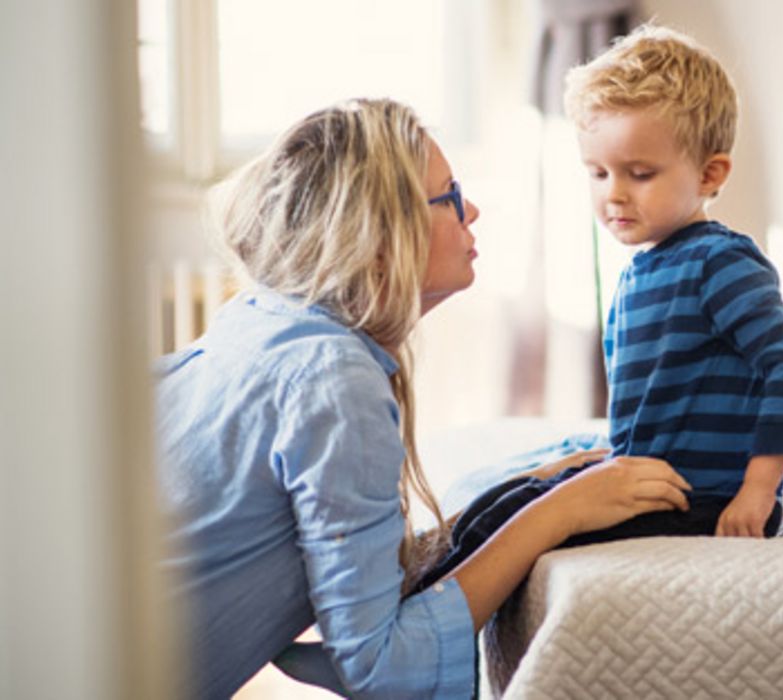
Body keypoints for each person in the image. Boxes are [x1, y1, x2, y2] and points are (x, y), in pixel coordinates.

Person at [154, 98, 692, 699]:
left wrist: (533, 488)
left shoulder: (260, 322)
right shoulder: (332, 378)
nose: (474, 210)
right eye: (450, 196)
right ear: (380, 239)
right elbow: (381, 667)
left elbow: (363, 567)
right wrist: (559, 512)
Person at [397, 24, 783, 599]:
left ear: (710, 174)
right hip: (654, 479)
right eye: (597, 173)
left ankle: (419, 610)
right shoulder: (645, 269)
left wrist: (758, 490)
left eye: (640, 174)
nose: (614, 194)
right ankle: (407, 593)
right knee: (508, 494)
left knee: (529, 522)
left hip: (703, 497)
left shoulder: (719, 263)